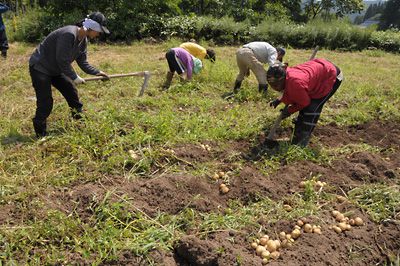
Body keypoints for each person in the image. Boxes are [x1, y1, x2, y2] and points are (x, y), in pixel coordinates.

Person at [29, 11, 110, 137]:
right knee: (46, 101)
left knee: (71, 91)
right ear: (92, 27)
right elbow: (62, 60)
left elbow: (83, 62)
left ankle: (79, 121)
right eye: (99, 31)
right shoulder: (69, 34)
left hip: (56, 70)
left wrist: (98, 72)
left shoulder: (83, 41)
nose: (99, 34)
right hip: (41, 68)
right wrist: (74, 77)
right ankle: (40, 133)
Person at [266, 58, 343, 147]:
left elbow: (304, 102)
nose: (274, 87)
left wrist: (289, 111)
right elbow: (289, 91)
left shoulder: (296, 83)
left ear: (283, 79)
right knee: (303, 109)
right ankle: (296, 136)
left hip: (330, 76)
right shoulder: (288, 79)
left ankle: (302, 141)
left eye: (276, 85)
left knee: (311, 108)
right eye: (272, 85)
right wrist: (280, 99)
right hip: (317, 72)